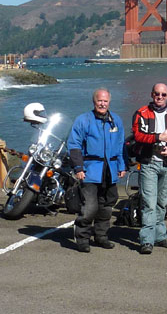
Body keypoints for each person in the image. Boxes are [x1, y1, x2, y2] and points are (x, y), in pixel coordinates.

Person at [67, 88, 128, 253]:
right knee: (89, 208)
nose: (102, 104)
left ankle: (101, 236)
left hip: (110, 170)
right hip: (91, 170)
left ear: (109, 102)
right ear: (94, 102)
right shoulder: (83, 120)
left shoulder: (116, 120)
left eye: (105, 101)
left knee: (107, 205)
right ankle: (82, 238)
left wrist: (122, 165)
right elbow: (74, 145)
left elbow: (121, 144)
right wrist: (78, 167)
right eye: (99, 101)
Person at [131, 82, 167, 254]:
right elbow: (137, 135)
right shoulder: (141, 113)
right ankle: (146, 239)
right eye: (156, 94)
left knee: (162, 202)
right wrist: (156, 137)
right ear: (151, 94)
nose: (159, 97)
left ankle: (160, 236)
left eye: (163, 94)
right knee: (149, 203)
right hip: (148, 163)